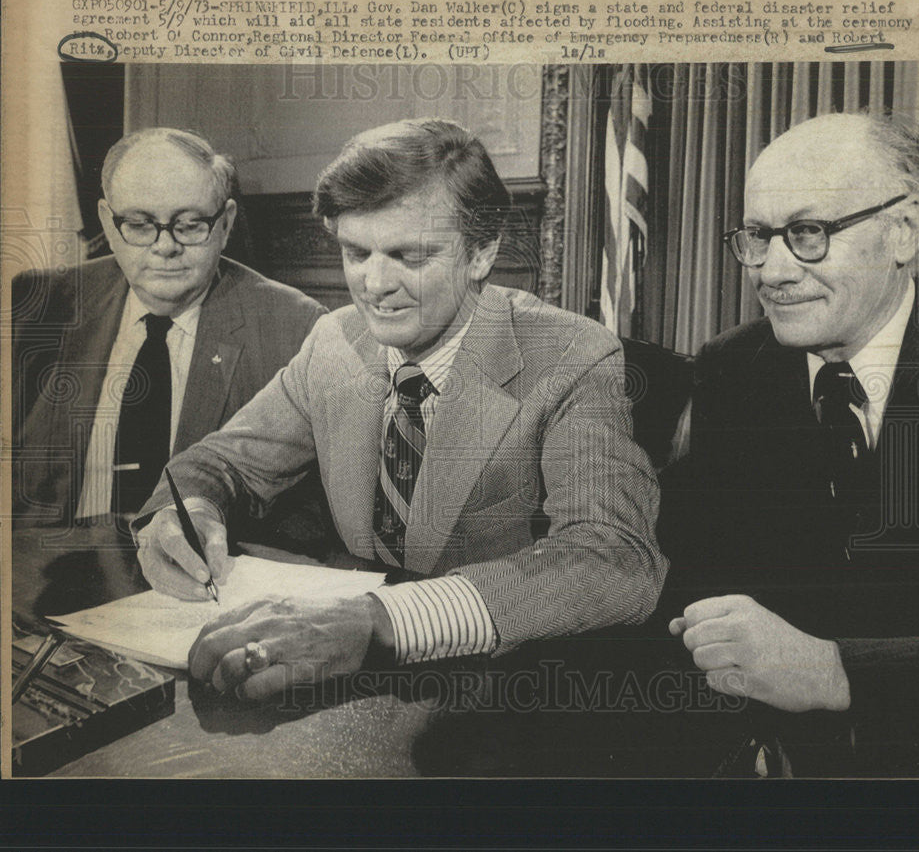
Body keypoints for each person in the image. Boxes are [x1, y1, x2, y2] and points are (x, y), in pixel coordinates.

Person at [133, 118, 666, 701]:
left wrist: (381, 620)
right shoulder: (334, 341)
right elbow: (224, 462)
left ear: (481, 252)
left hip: (495, 695)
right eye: (355, 252)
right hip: (338, 687)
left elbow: (615, 558)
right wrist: (187, 513)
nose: (373, 284)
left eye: (408, 255)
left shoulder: (571, 355)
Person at [661, 112, 919, 777]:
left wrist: (835, 670)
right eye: (758, 236)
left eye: (808, 233)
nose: (772, 271)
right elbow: (692, 583)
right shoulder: (732, 369)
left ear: (903, 231)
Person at [12, 128, 326, 530]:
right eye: (140, 225)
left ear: (226, 224)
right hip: (50, 572)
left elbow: (307, 516)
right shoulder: (37, 305)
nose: (165, 246)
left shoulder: (294, 327)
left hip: (199, 574)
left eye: (191, 224)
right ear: (108, 224)